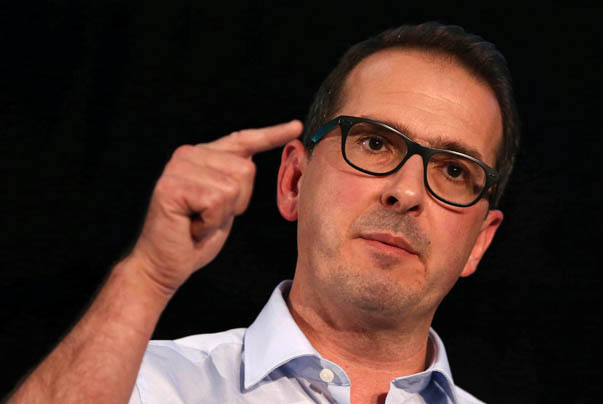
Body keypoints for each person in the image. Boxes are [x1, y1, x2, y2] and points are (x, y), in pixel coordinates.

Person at [7, 22, 519, 404]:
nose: (407, 192)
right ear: (294, 180)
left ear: (479, 242)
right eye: (373, 143)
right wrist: (146, 276)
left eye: (455, 171)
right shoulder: (146, 386)